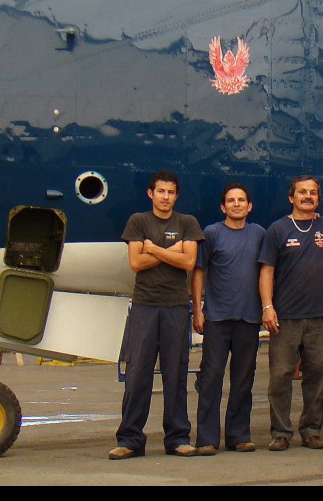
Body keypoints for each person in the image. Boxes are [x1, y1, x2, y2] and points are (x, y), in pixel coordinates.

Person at [110, 170, 205, 460]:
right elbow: (136, 263)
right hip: (145, 306)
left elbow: (188, 261)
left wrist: (153, 248)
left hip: (176, 306)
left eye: (171, 192)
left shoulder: (187, 223)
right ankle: (130, 440)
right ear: (150, 193)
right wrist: (170, 250)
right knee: (138, 374)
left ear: (177, 196)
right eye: (160, 192)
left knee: (175, 374)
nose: (165, 197)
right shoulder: (138, 222)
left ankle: (177, 438)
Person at [258, 175, 323, 452]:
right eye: (302, 192)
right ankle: (280, 432)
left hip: (318, 317)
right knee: (280, 376)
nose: (307, 196)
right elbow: (266, 270)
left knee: (317, 376)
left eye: (313, 192)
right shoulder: (277, 230)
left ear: (318, 197)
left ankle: (312, 430)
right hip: (286, 318)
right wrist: (268, 307)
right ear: (291, 198)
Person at [191, 183, 266, 455]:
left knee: (243, 379)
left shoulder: (259, 234)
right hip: (217, 319)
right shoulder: (211, 233)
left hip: (248, 318)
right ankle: (207, 439)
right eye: (231, 201)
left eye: (241, 200)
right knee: (211, 378)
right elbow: (199, 271)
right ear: (223, 207)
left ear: (249, 206)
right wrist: (197, 309)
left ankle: (238, 435)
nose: (237, 204)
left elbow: (267, 272)